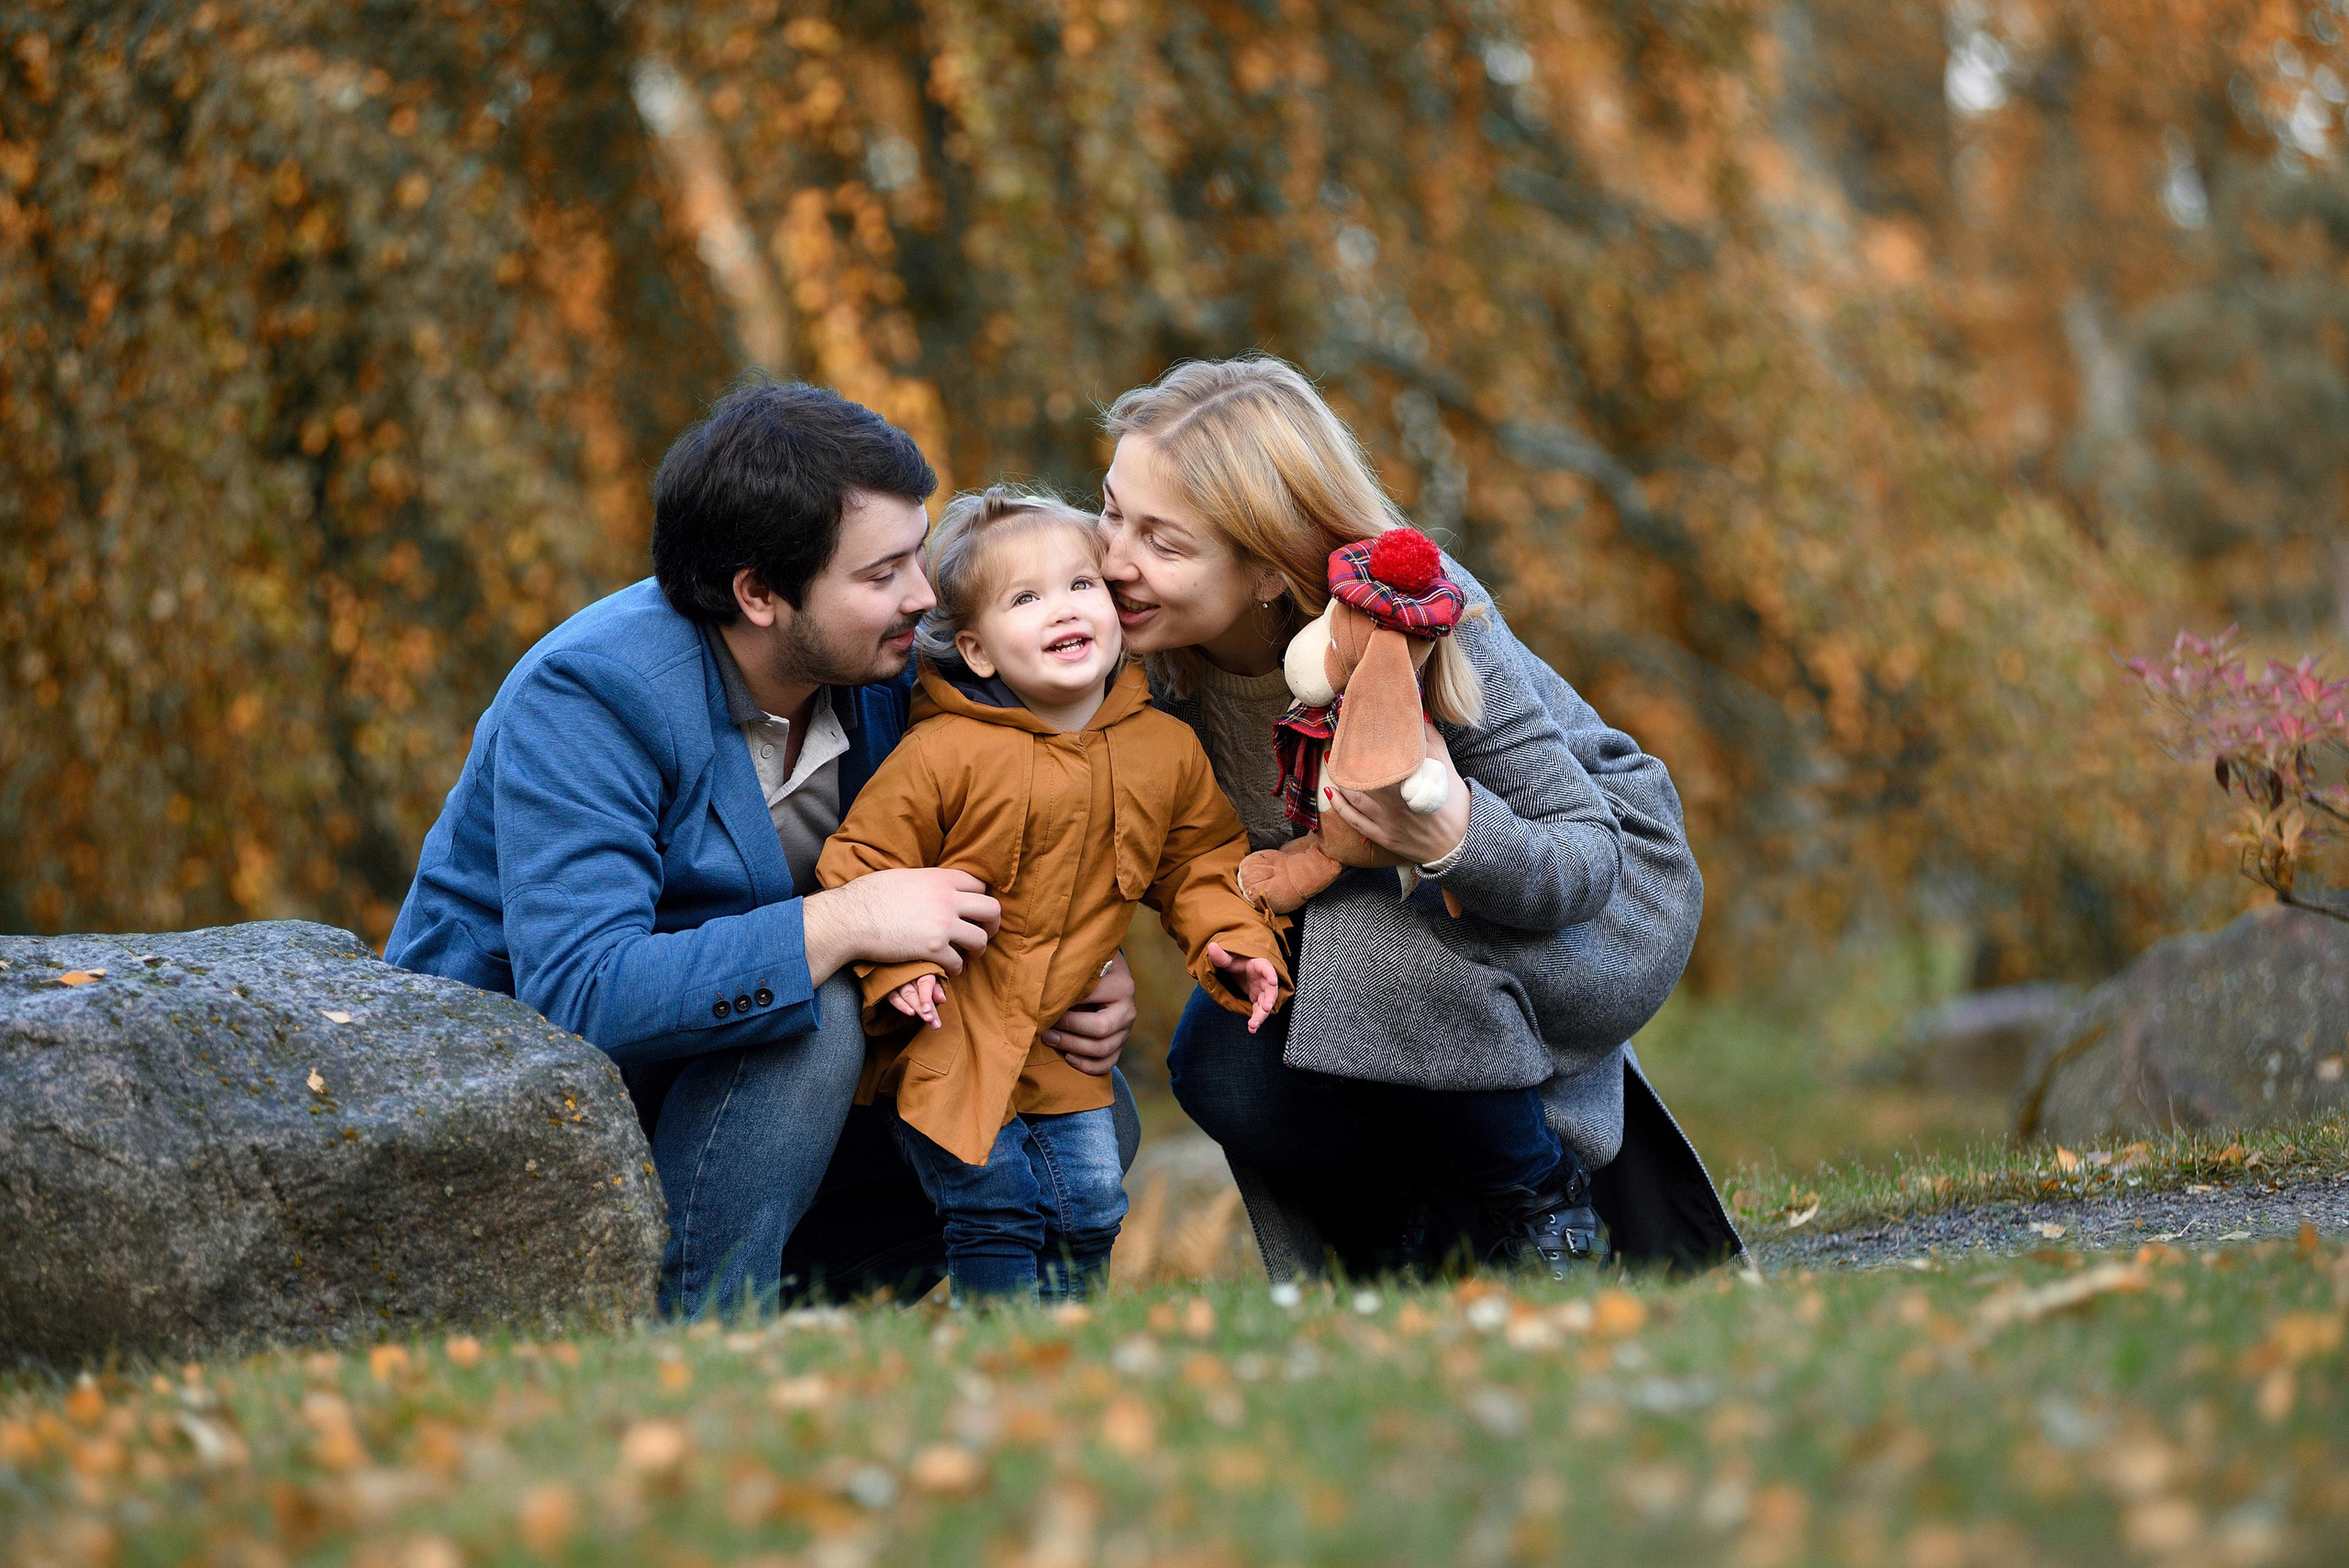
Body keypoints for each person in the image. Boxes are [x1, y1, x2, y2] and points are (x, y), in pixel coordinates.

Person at [384, 381, 1140, 1316]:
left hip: (744, 1110)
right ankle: (698, 1326)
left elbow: (1009, 819)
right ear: (758, 594)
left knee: (1060, 1103)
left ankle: (889, 1330)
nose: (921, 595)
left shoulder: (876, 665)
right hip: (526, 1113)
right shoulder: (591, 696)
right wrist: (845, 917)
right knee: (814, 1003)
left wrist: (1081, 963)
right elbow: (578, 992)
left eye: (916, 556)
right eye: (880, 574)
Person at [1093, 355, 1745, 1277]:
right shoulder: (1138, 652)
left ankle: (1544, 1215)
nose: (1114, 557)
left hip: (1589, 891)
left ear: (1271, 569)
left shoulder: (1407, 610)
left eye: (1162, 541)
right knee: (1220, 1058)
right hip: (1363, 926)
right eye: (1112, 510)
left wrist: (1453, 834)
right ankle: (1420, 1236)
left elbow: (1584, 854)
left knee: (1369, 937)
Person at [817, 487, 1286, 1302]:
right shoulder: (945, 753)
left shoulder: (1161, 749)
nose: (1062, 610)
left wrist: (1237, 941)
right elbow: (861, 862)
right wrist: (901, 974)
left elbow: (1203, 860)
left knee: (1093, 1202)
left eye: (1081, 585)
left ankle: (1074, 1352)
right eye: (1025, 599)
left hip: (1065, 1038)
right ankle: (1001, 1348)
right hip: (953, 1031)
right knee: (991, 1199)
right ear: (980, 649)